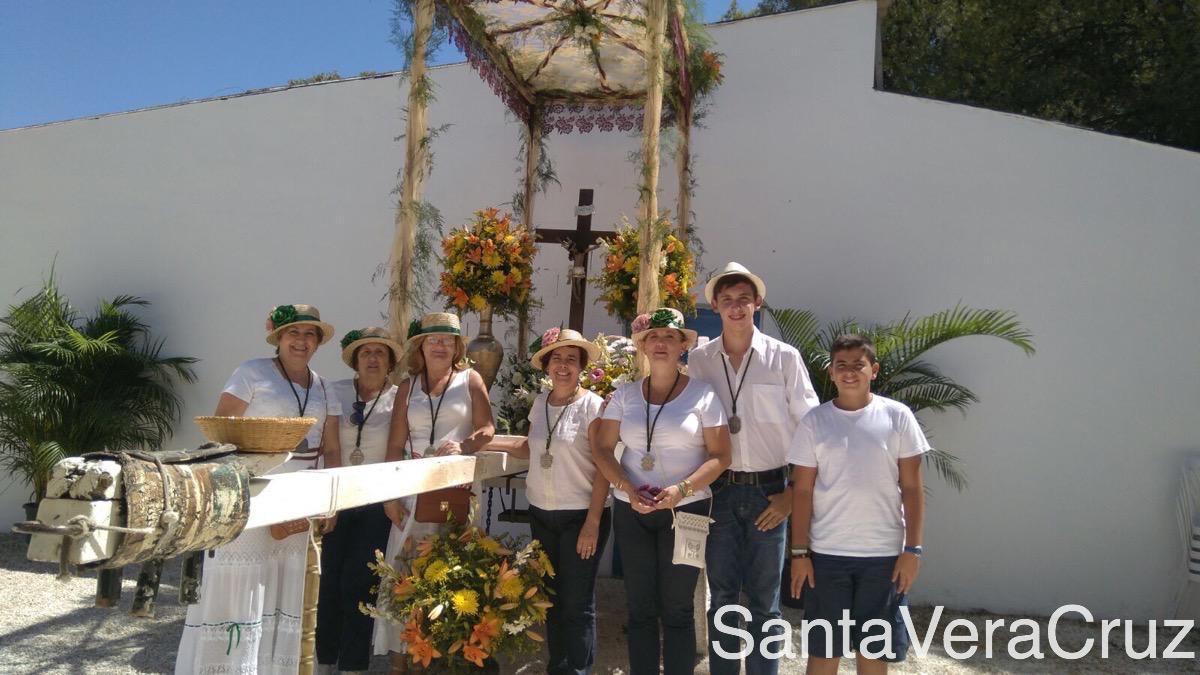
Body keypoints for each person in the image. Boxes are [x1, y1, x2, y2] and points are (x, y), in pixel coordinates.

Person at [176, 304, 336, 674]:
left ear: (317, 342)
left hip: (300, 493)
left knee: (286, 583)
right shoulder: (251, 371)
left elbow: (332, 447)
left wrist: (332, 500)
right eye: (293, 333)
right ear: (279, 338)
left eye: (309, 334)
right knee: (241, 578)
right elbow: (223, 429)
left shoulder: (324, 386)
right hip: (254, 488)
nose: (301, 341)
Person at [687, 262, 819, 675]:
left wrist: (792, 495)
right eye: (727, 300)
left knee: (765, 601)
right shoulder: (699, 360)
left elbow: (810, 428)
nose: (736, 307)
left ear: (757, 303)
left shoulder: (784, 359)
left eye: (744, 299)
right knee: (722, 596)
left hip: (770, 493)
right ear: (715, 307)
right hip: (719, 493)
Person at [592, 307, 732, 675]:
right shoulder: (624, 395)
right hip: (631, 509)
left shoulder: (704, 395)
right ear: (642, 345)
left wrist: (681, 490)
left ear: (682, 346)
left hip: (687, 512)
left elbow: (721, 456)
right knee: (639, 607)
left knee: (678, 607)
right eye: (653, 337)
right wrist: (627, 487)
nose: (660, 343)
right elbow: (603, 448)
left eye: (670, 337)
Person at [788, 335, 928, 673]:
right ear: (831, 373)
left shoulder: (898, 417)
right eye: (841, 366)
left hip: (883, 558)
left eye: (858, 365)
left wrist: (914, 550)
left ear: (873, 370)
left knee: (873, 653)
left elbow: (911, 487)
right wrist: (799, 554)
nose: (850, 372)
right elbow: (803, 491)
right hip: (827, 556)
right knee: (823, 652)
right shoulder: (815, 422)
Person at [373, 312, 495, 671]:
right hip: (413, 487)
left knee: (452, 571)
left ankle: (448, 656)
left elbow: (487, 428)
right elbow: (395, 445)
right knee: (404, 571)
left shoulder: (470, 379)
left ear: (457, 346)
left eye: (447, 340)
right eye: (433, 339)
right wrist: (391, 498)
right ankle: (400, 660)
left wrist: (464, 445)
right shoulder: (407, 388)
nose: (440, 345)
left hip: (455, 487)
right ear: (420, 347)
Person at [489, 327, 610, 675]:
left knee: (577, 603)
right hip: (542, 514)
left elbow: (604, 466)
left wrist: (593, 522)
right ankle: (557, 667)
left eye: (571, 359)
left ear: (581, 366)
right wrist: (485, 441)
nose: (563, 365)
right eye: (556, 358)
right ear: (545, 365)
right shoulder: (541, 403)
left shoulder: (592, 406)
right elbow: (530, 447)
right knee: (551, 599)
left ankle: (578, 669)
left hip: (580, 518)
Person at [315, 327, 404, 675]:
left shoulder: (399, 397)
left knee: (359, 582)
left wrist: (391, 496)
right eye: (365, 352)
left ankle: (353, 665)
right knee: (328, 581)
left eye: (380, 353)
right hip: (337, 498)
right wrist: (331, 503)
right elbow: (332, 447)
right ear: (355, 360)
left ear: (390, 362)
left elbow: (398, 451)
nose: (372, 359)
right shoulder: (335, 391)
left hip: (376, 502)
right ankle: (323, 661)